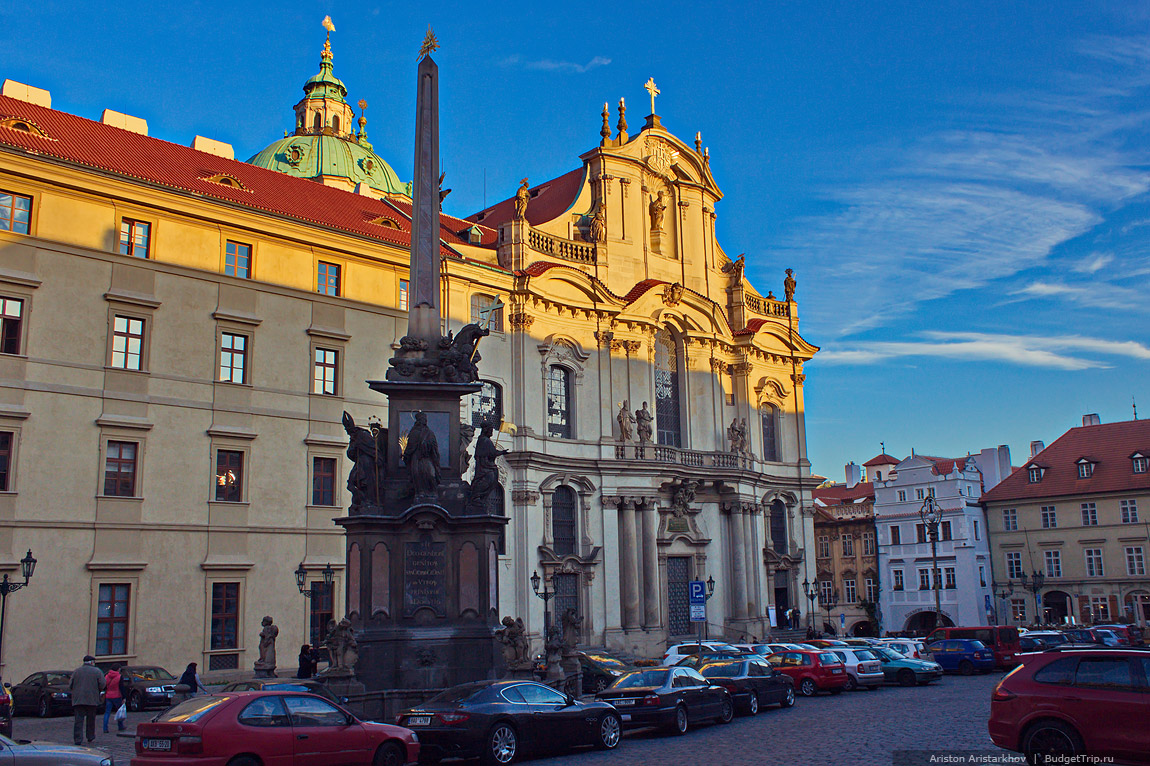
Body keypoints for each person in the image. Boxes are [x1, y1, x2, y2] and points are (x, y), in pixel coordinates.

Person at [69, 655, 105, 746]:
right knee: (91, 719)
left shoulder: (76, 671)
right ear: (92, 662)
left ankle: (78, 739)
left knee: (78, 720)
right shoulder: (97, 671)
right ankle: (90, 736)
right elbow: (102, 684)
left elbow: (70, 684)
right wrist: (98, 690)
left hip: (78, 699)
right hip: (92, 699)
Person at [103, 664, 125, 734]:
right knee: (119, 712)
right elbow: (121, 688)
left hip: (108, 696)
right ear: (118, 669)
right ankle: (120, 726)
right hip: (117, 695)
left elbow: (104, 686)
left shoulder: (107, 676)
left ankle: (105, 728)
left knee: (107, 712)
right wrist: (124, 697)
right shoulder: (119, 676)